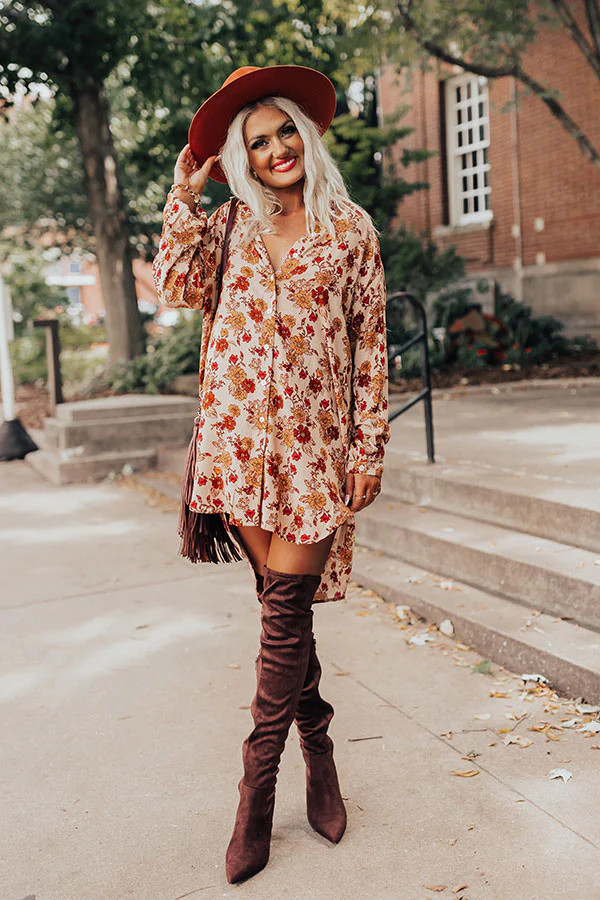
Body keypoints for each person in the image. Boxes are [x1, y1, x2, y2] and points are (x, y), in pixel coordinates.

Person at [152, 64, 390, 884]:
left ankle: (255, 800)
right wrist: (185, 193)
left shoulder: (353, 230)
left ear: (307, 135)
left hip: (314, 456)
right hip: (235, 448)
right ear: (242, 158)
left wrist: (368, 450)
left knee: (282, 621)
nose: (278, 147)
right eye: (258, 141)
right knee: (284, 620)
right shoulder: (228, 227)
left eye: (286, 130)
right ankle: (319, 749)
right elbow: (178, 285)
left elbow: (370, 350)